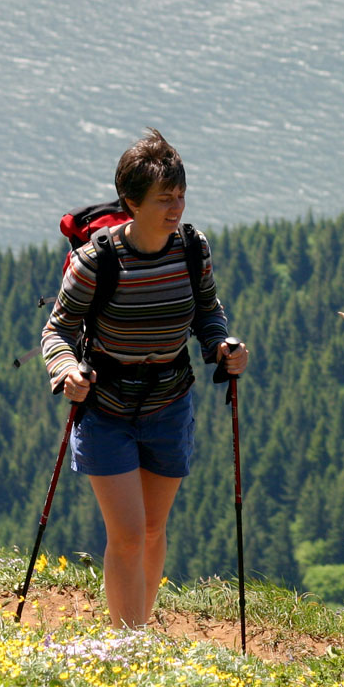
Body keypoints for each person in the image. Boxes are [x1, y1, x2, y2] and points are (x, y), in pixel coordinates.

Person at [41, 128, 248, 629]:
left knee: (154, 530)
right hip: (107, 409)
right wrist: (66, 370)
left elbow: (207, 312)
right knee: (130, 534)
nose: (175, 207)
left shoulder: (192, 249)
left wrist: (221, 346)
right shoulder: (97, 261)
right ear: (131, 202)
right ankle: (127, 640)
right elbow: (58, 330)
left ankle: (139, 626)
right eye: (163, 199)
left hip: (169, 405)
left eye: (180, 196)